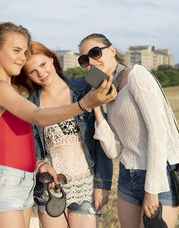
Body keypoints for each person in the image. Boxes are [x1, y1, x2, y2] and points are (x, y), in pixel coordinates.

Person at [0, 23, 116, 228]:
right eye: (16, 51)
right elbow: (37, 117)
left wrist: (110, 59)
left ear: (52, 59)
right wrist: (85, 105)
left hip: (25, 180)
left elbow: (110, 79)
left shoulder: (12, 89)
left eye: (24, 52)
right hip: (8, 181)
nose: (21, 57)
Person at [78, 33, 179, 228]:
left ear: (112, 50)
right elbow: (114, 150)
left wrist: (152, 190)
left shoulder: (136, 75)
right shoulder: (110, 89)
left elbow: (158, 133)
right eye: (84, 60)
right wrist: (96, 106)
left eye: (95, 53)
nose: (91, 62)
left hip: (160, 174)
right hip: (128, 174)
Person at [13, 41, 113, 228]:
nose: (41, 74)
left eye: (43, 64)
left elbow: (101, 137)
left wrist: (103, 184)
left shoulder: (85, 87)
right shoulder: (30, 105)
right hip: (50, 188)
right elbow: (31, 150)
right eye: (32, 71)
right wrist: (40, 164)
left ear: (51, 59)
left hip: (86, 185)